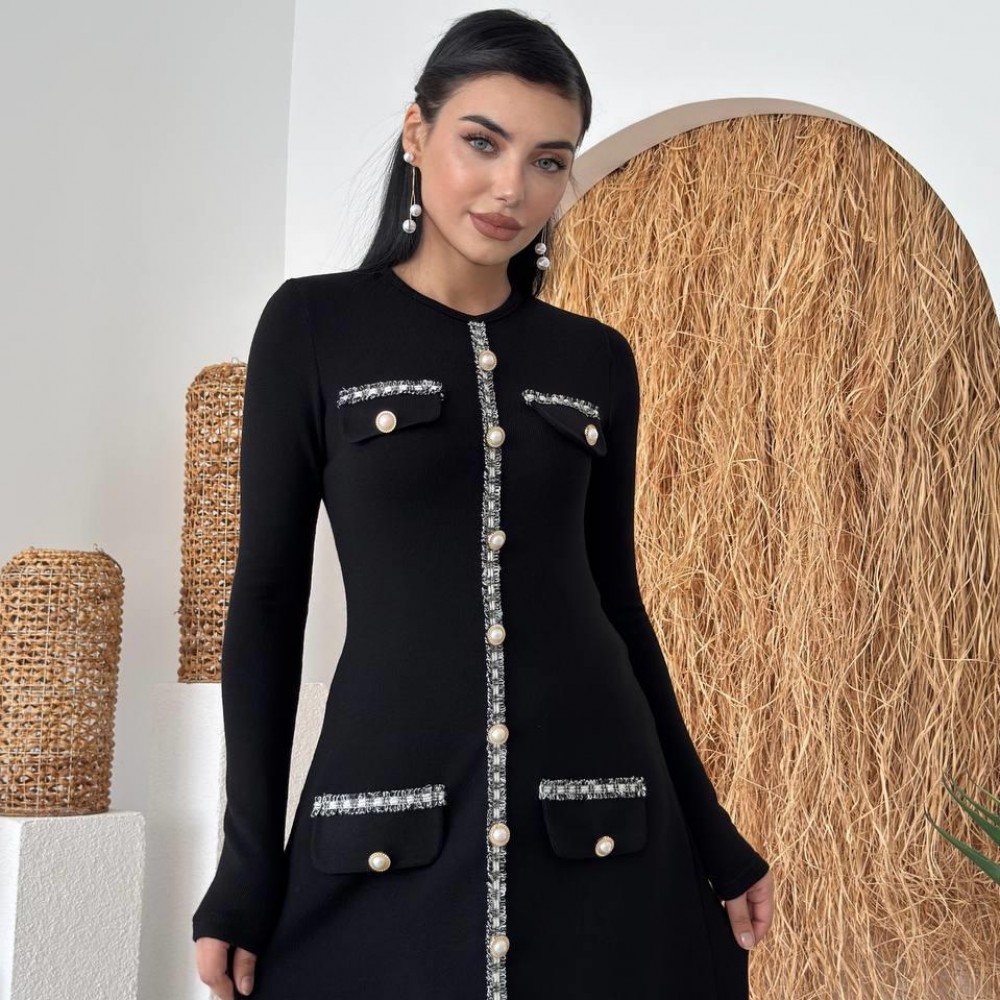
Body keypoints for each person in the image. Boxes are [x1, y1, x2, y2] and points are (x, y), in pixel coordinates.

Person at [192, 9, 774, 999]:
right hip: (385, 810)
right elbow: (267, 601)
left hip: (600, 811)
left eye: (549, 161)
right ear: (416, 133)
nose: (513, 189)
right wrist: (245, 863)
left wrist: (713, 832)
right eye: (482, 142)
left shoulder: (595, 359)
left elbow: (617, 605)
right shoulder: (312, 326)